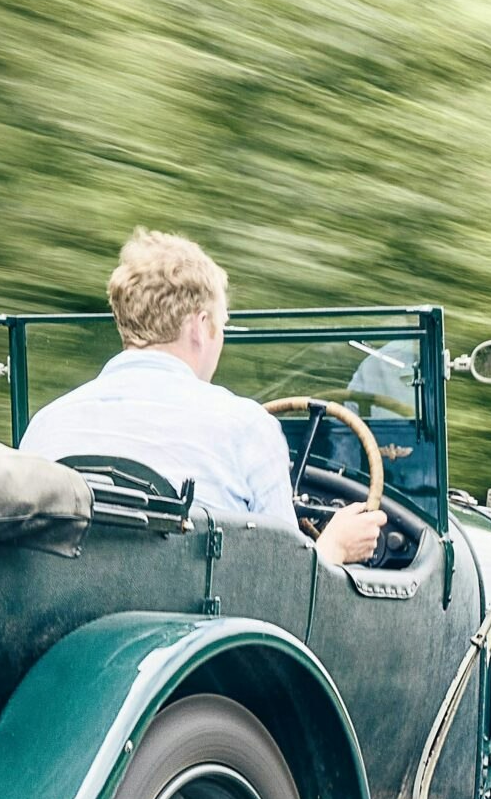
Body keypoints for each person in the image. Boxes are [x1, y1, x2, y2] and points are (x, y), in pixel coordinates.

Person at [21, 230, 388, 568]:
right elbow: (285, 575)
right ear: (199, 327)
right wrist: (335, 547)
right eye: (221, 325)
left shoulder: (46, 424)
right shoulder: (245, 426)